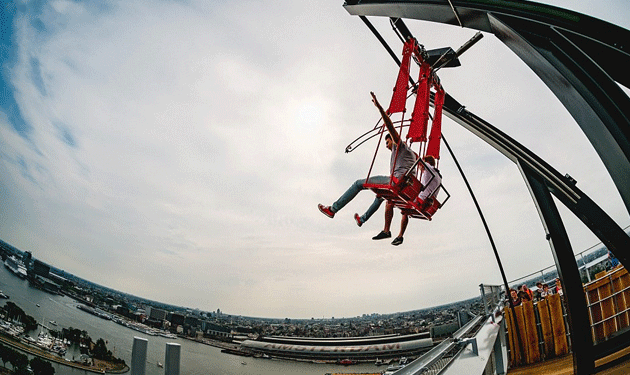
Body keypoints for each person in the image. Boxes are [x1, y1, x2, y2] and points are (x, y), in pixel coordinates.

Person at [318, 92, 417, 245]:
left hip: (396, 182)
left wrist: (380, 108)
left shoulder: (400, 145)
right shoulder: (412, 154)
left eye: (387, 142)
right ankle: (363, 219)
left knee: (358, 183)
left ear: (392, 139)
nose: (386, 145)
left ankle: (333, 209)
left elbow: (390, 126)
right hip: (404, 187)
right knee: (380, 197)